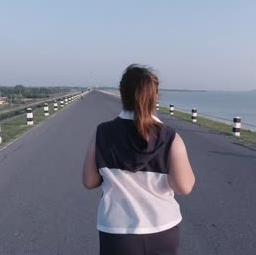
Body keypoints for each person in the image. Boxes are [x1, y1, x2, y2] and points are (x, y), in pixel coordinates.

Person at [83, 64, 195, 255]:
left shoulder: (102, 133)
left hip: (117, 232)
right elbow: (184, 187)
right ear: (155, 96)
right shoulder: (170, 137)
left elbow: (90, 181)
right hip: (163, 229)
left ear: (122, 94)